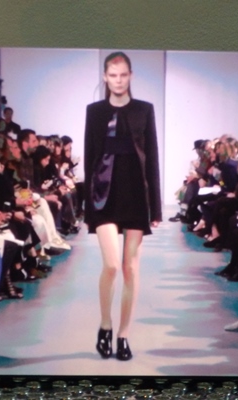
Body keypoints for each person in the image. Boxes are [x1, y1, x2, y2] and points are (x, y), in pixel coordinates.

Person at [84, 51, 162, 361]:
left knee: (130, 268)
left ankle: (124, 335)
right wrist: (86, 207)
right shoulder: (94, 111)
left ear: (130, 76)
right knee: (112, 265)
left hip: (135, 195)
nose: (118, 80)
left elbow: (152, 159)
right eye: (113, 75)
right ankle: (105, 325)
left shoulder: (145, 109)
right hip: (103, 193)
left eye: (123, 75)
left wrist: (156, 208)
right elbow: (90, 158)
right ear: (105, 77)